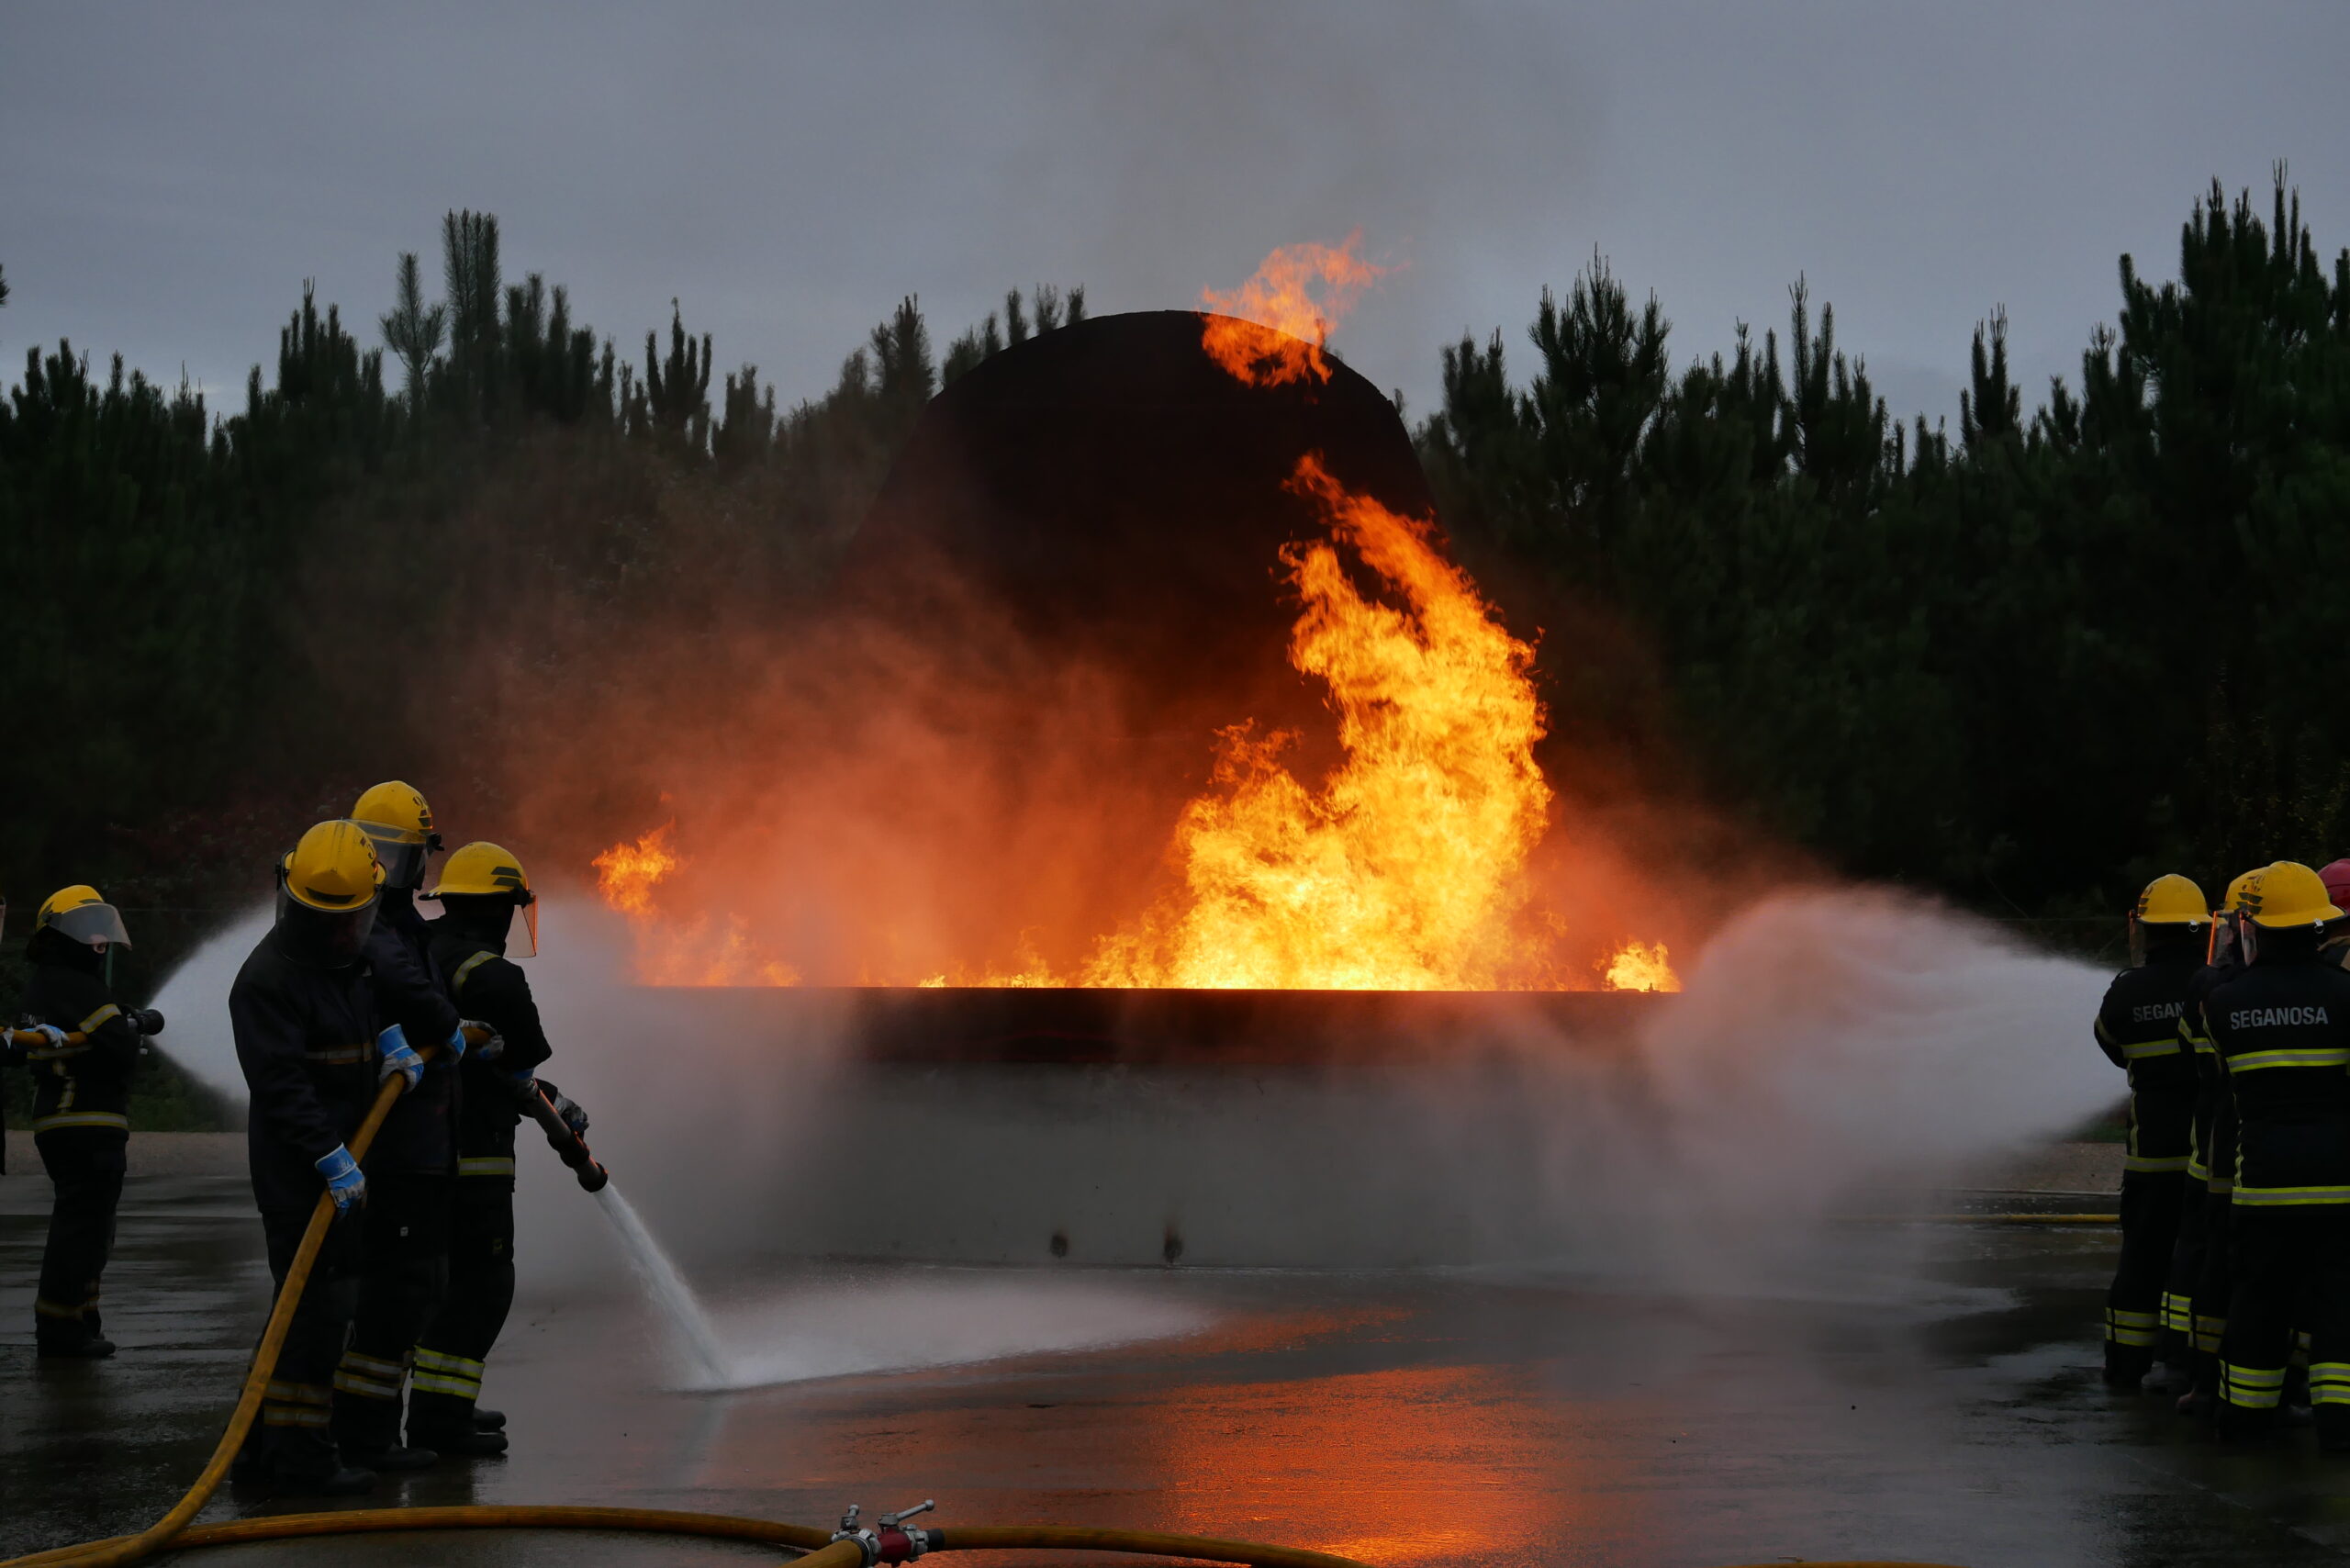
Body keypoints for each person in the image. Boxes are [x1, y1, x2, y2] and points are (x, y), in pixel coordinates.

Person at [229, 820, 403, 1495]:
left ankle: (258, 1454)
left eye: (348, 922)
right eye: (319, 921)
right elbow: (281, 1086)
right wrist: (330, 1156)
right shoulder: (266, 979)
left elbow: (361, 1008)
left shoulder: (345, 961)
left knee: (312, 1313)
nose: (336, 933)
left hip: (340, 1170)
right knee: (311, 1317)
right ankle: (298, 1462)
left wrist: (389, 1041)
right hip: (302, 1174)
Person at [410, 841, 582, 1457]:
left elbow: (491, 1065)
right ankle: (440, 1423)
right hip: (476, 1156)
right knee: (483, 1286)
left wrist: (545, 1096)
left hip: (419, 1153)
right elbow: (523, 1055)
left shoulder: (419, 956)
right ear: (498, 908)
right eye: (512, 907)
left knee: (440, 1284)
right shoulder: (494, 976)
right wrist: (546, 1095)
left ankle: (443, 1408)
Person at [330, 781, 469, 1472]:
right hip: (397, 1146)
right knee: (396, 1290)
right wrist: (447, 1025)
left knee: (417, 1286)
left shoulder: (399, 922)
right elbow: (401, 983)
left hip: (421, 1143)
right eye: (405, 854)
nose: (405, 869)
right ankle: (367, 1436)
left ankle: (374, 1428)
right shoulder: (370, 924)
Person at [2205, 860, 2350, 1447]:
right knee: (2340, 1302)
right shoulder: (2346, 996)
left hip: (2261, 1185)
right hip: (2340, 1185)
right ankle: (2340, 1425)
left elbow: (2222, 1075)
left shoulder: (2223, 1004)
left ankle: (2245, 1418)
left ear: (2254, 929)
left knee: (2260, 1302)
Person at [19, 886, 154, 1359]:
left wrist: (125, 1021)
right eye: (87, 928)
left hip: (74, 1120)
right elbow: (115, 1046)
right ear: (59, 935)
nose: (98, 939)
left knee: (92, 1226)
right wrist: (128, 1027)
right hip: (82, 1120)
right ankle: (61, 1331)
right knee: (83, 1227)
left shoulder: (54, 981)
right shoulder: (73, 983)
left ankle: (81, 1320)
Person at [2093, 873, 2208, 1388]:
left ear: (2146, 929)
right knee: (2198, 1261)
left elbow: (2112, 1046)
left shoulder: (2125, 992)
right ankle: (2186, 1361)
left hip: (2150, 1155)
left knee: (2141, 1260)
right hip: (2207, 1157)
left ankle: (2125, 1364)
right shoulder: (2216, 986)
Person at [2168, 868, 2263, 1416]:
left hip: (2219, 1155)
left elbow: (2190, 1059)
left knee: (2217, 1266)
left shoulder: (2215, 990)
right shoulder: (2333, 990)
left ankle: (2203, 1379)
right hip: (2290, 1167)